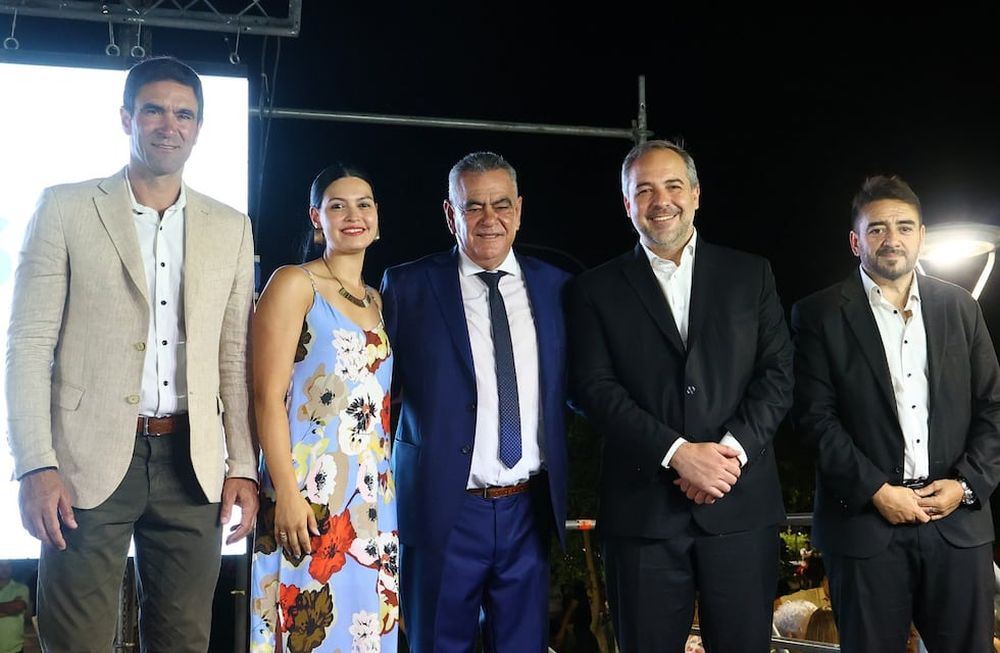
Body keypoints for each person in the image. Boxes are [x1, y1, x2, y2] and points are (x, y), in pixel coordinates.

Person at [4, 56, 258, 652]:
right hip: (82, 461)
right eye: (153, 110)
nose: (169, 125)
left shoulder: (231, 225)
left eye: (184, 114)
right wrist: (35, 465)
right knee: (76, 642)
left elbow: (233, 358)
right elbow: (27, 345)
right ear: (126, 118)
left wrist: (243, 466)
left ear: (199, 128)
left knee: (182, 643)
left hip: (192, 464)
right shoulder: (64, 207)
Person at [566, 139, 793, 653]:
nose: (660, 200)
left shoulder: (751, 274)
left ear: (695, 194)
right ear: (627, 203)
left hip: (741, 508)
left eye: (672, 186)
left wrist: (727, 456)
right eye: (644, 190)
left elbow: (778, 375)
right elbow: (592, 389)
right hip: (642, 514)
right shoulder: (594, 289)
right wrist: (677, 454)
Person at [791, 175, 1000, 652]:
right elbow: (813, 419)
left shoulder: (961, 307)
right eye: (877, 228)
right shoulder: (818, 314)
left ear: (921, 236)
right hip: (864, 527)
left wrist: (965, 485)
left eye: (904, 227)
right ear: (855, 241)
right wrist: (876, 491)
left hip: (956, 524)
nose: (892, 239)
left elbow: (994, 407)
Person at [380, 151, 570, 652]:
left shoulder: (557, 288)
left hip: (528, 510)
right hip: (442, 510)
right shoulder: (407, 287)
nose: (490, 219)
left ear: (519, 210)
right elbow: (376, 397)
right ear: (450, 214)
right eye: (473, 206)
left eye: (501, 205)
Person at [249, 164, 397, 651]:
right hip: (310, 494)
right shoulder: (295, 283)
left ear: (377, 217)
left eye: (364, 204)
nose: (353, 215)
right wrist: (287, 494)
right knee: (308, 632)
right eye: (338, 205)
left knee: (365, 634)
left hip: (373, 501)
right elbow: (266, 397)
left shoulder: (376, 300)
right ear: (317, 219)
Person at [0, 561, 31, 653]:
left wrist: (14, 608)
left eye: (8, 565)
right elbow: (13, 608)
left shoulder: (21, 588)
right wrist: (10, 607)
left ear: (12, 567)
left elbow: (17, 608)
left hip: (14, 648)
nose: (5, 569)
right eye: (1, 565)